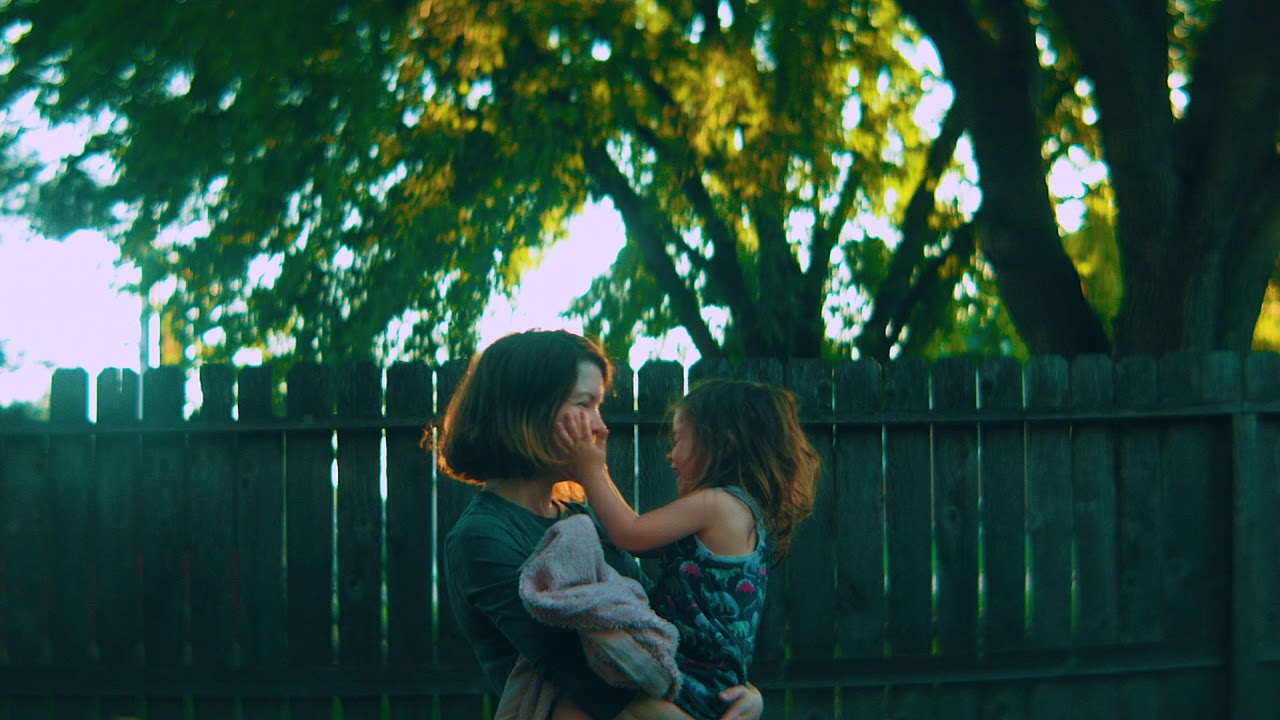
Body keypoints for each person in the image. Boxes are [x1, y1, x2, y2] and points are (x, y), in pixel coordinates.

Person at [437, 330, 763, 720]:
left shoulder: (578, 518)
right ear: (528, 410)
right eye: (584, 404)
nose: (600, 426)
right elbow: (593, 683)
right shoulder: (483, 536)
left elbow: (652, 631)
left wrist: (738, 695)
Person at [556, 378, 820, 720]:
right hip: (713, 683)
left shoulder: (716, 504)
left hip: (690, 677)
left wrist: (591, 469)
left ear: (723, 445)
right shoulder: (741, 512)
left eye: (678, 440)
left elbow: (630, 534)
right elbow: (643, 541)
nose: (670, 454)